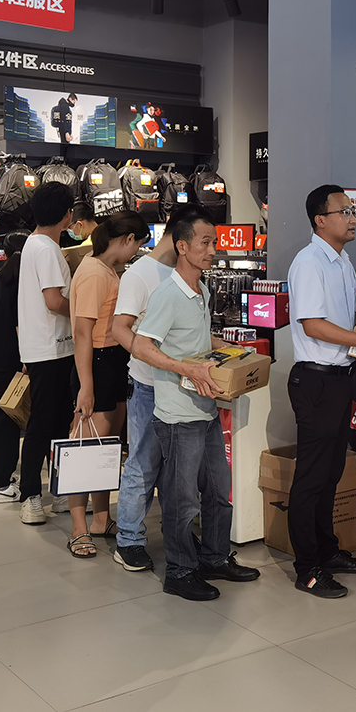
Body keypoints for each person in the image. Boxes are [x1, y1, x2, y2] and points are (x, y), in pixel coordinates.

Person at [130, 214, 260, 599]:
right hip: (177, 415)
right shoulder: (168, 294)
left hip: (205, 410)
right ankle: (180, 571)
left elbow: (196, 339)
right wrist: (185, 368)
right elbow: (142, 346)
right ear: (182, 246)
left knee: (219, 491)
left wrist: (229, 348)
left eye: (213, 242)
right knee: (182, 499)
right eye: (204, 242)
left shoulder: (201, 289)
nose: (212, 250)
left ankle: (215, 558)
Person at [285, 186, 356, 599]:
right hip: (314, 381)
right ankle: (307, 568)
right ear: (320, 220)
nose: (353, 218)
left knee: (332, 471)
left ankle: (327, 551)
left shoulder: (341, 261)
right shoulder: (309, 262)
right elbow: (313, 325)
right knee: (311, 477)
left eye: (353, 211)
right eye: (344, 211)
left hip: (338, 379)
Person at [109, 203, 213, 573]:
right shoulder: (140, 274)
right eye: (204, 239)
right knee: (143, 462)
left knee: (180, 474)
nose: (210, 249)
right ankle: (129, 540)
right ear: (182, 236)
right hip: (149, 385)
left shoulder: (191, 276)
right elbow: (120, 328)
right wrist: (152, 357)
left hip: (184, 387)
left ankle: (179, 538)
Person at [66, 211, 149, 559]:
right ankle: (78, 527)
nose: (136, 252)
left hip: (113, 361)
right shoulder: (93, 272)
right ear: (127, 239)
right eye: (138, 245)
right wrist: (86, 386)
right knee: (86, 448)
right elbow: (82, 332)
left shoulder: (107, 269)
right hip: (96, 363)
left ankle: (101, 518)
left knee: (107, 447)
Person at [17, 182, 77, 525]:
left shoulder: (34, 243)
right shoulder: (47, 249)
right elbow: (54, 301)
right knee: (44, 424)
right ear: (67, 215)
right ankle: (31, 495)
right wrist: (84, 310)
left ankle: (58, 492)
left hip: (46, 347)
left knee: (52, 422)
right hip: (51, 348)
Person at [0, 231, 27, 503]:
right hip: (11, 359)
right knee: (7, 422)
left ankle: (1, 477)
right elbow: (20, 325)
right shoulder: (21, 281)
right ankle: (2, 484)